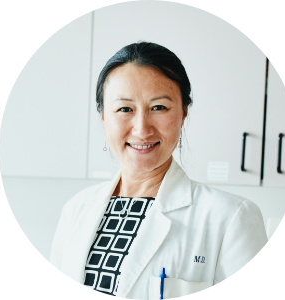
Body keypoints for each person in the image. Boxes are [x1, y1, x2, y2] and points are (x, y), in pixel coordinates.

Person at [50, 41, 268, 299]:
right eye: (124, 109)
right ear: (103, 116)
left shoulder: (232, 219)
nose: (142, 129)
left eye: (159, 107)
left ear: (184, 112)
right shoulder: (76, 210)